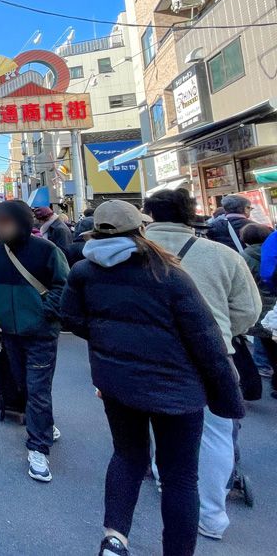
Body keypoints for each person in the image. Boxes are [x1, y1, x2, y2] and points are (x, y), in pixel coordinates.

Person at [60, 200, 245, 556]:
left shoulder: (84, 271)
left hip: (117, 382)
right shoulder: (167, 272)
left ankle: (114, 539)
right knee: (179, 477)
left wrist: (107, 342)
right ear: (140, 229)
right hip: (178, 388)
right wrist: (228, 397)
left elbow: (71, 318)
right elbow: (206, 339)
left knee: (127, 456)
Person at [142, 189, 261, 540]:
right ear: (191, 216)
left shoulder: (129, 255)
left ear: (147, 216)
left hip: (146, 354)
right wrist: (220, 333)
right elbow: (248, 312)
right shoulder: (222, 255)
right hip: (211, 355)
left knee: (153, 419)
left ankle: (166, 478)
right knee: (214, 434)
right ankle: (211, 514)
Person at [0, 200, 70, 483]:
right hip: (11, 331)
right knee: (24, 383)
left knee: (37, 388)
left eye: (3, 222)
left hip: (41, 333)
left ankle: (38, 449)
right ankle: (44, 424)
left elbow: (63, 287)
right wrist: (0, 311)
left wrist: (44, 313)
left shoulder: (47, 251)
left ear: (21, 222)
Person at [240, 223, 277, 389]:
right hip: (274, 302)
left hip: (259, 304)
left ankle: (263, 365)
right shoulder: (272, 250)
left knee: (264, 339)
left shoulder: (244, 257)